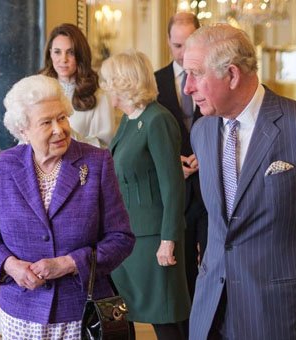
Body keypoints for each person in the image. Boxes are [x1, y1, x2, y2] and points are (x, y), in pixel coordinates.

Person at [183, 24, 296, 340]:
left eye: (196, 74)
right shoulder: (202, 132)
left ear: (232, 75)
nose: (188, 87)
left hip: (286, 314)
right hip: (213, 312)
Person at [0, 75, 134, 339]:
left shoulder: (96, 162)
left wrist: (69, 263)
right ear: (23, 130)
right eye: (46, 122)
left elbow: (121, 239)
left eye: (62, 117)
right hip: (20, 313)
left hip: (79, 313)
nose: (59, 129)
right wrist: (11, 266)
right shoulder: (4, 164)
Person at [101, 50, 191, 340]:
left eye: (108, 80)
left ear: (123, 82)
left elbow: (173, 184)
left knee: (164, 320)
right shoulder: (129, 120)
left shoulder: (157, 120)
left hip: (153, 240)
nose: (105, 87)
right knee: (123, 316)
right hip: (129, 238)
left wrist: (169, 241)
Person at [154, 11, 205, 300]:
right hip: (174, 190)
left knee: (213, 264)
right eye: (177, 46)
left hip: (210, 185)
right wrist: (172, 161)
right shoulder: (155, 82)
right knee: (183, 271)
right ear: (168, 43)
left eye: (189, 44)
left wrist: (206, 155)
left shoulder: (214, 76)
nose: (183, 52)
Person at [41, 23, 115, 148]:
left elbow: (104, 146)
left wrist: (69, 135)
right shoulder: (39, 89)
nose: (63, 59)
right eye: (57, 52)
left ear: (80, 56)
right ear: (50, 54)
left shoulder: (99, 96)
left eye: (70, 52)